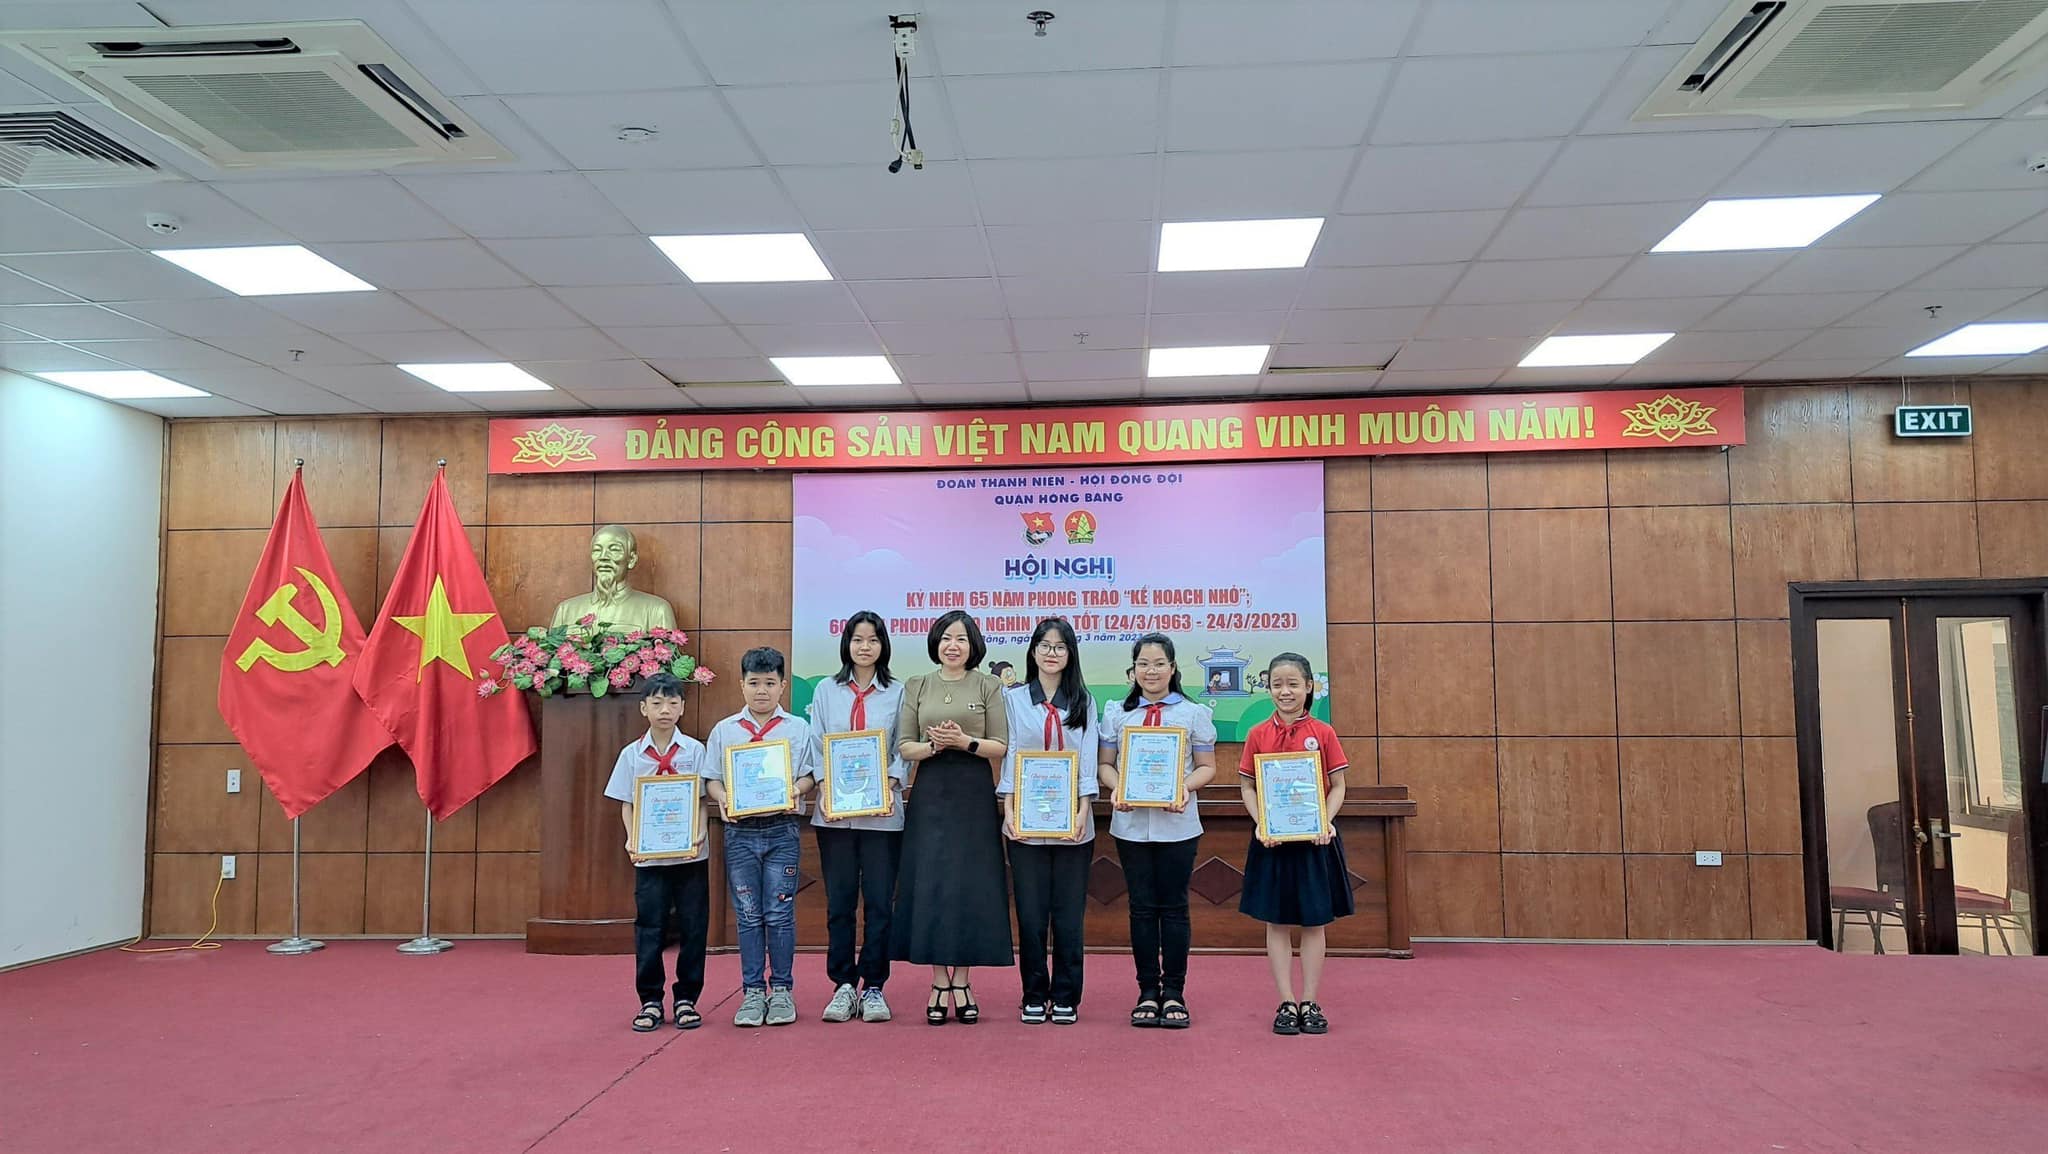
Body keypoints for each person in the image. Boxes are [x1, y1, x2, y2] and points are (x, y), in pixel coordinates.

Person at [891, 610, 1012, 1025]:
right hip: (930, 791)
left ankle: (963, 980)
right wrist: (934, 747)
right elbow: (904, 745)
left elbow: (1000, 745)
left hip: (973, 792)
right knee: (933, 884)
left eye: (960, 638)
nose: (952, 645)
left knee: (969, 886)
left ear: (973, 644)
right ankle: (938, 981)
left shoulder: (989, 685)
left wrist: (965, 741)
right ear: (935, 643)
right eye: (945, 638)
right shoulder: (917, 684)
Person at [1099, 632, 1215, 1030]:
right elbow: (1105, 765)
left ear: (1173, 667)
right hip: (1130, 826)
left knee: (1175, 908)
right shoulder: (1118, 713)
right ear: (1133, 670)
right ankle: (1147, 991)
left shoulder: (1192, 713)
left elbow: (1207, 767)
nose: (1151, 671)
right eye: (1143, 664)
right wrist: (1118, 788)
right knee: (1142, 908)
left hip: (1178, 825)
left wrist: (1184, 787)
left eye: (1159, 663)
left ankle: (1175, 992)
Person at [1238, 653, 1352, 1036]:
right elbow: (1248, 787)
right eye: (1276, 684)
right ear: (1268, 688)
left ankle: (1310, 1001)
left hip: (1314, 841)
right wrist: (1261, 822)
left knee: (1314, 922)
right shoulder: (1257, 734)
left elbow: (1338, 786)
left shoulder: (1324, 732)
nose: (1284, 691)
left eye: (1292, 684)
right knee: (1277, 922)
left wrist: (1325, 820)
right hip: (1272, 841)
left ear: (1308, 687)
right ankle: (1286, 1001)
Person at [702, 647, 816, 1028]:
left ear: (783, 686)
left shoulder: (798, 728)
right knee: (749, 914)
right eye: (754, 683)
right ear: (742, 685)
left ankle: (781, 990)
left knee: (779, 912)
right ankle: (752, 991)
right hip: (740, 833)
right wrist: (723, 797)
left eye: (770, 683)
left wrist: (795, 789)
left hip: (782, 829)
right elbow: (712, 779)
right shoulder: (725, 730)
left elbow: (809, 775)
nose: (761, 691)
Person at [805, 611, 907, 1024]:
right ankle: (844, 985)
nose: (865, 647)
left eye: (873, 640)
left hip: (883, 817)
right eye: (858, 639)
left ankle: (875, 986)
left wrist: (891, 781)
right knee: (840, 903)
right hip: (835, 817)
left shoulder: (898, 692)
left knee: (880, 903)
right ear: (846, 644)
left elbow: (904, 745)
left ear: (884, 646)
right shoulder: (826, 691)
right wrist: (826, 785)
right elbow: (816, 743)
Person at [998, 617, 1097, 1025]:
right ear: (1033, 651)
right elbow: (1010, 755)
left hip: (1073, 822)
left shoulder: (1084, 701)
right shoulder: (1014, 699)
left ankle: (1067, 995)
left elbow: (1087, 757)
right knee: (1031, 913)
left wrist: (1083, 811)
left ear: (1070, 653)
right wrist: (1008, 810)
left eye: (1060, 646)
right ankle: (1034, 993)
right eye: (1044, 645)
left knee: (1069, 915)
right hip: (1025, 823)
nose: (1051, 653)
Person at [603, 673, 710, 1033]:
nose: (665, 710)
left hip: (690, 856)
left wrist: (699, 834)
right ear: (643, 708)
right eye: (657, 703)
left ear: (682, 708)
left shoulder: (695, 751)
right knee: (650, 927)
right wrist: (631, 839)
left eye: (673, 703)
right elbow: (627, 804)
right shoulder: (631, 755)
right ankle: (650, 1000)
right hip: (650, 857)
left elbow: (701, 801)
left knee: (694, 926)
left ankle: (686, 999)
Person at [548, 524, 676, 630]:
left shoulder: (656, 610)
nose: (603, 557)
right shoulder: (566, 610)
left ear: (631, 560)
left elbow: (666, 652)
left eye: (614, 550)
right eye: (597, 550)